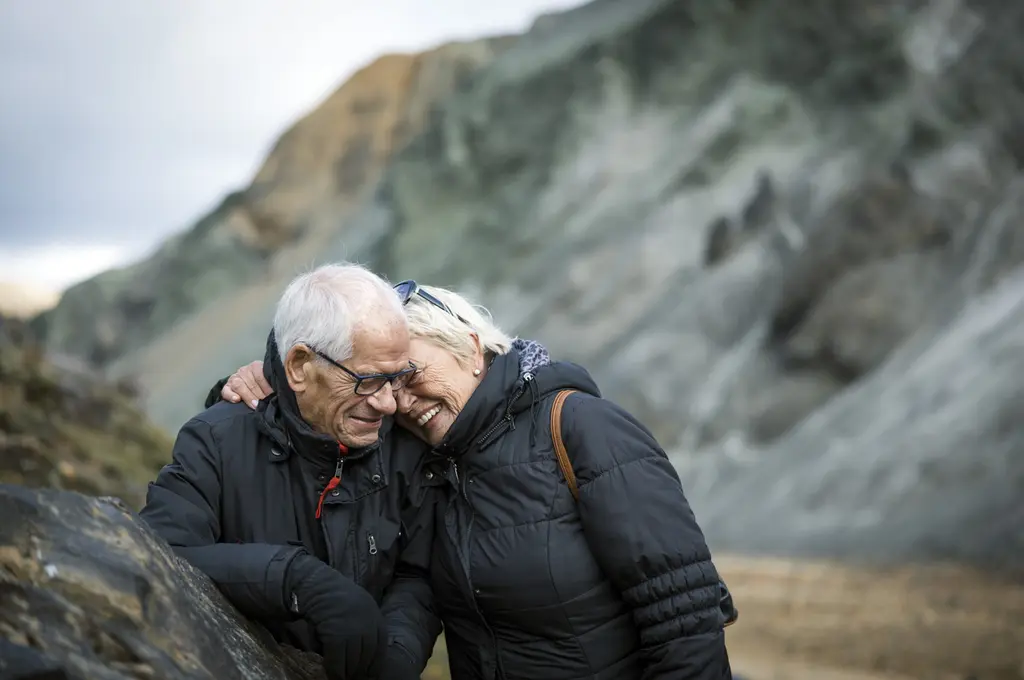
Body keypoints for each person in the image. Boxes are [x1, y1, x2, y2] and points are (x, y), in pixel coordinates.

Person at [219, 279, 735, 680]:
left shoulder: (581, 427)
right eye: (384, 383)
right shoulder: (431, 460)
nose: (399, 402)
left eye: (410, 376)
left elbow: (685, 622)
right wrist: (254, 382)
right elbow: (316, 417)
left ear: (468, 347)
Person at [139, 264, 440, 680]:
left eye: (397, 378)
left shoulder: (403, 445)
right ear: (299, 365)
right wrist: (295, 580)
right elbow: (158, 551)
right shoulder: (215, 440)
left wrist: (397, 652)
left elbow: (416, 573)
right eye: (369, 381)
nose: (389, 403)